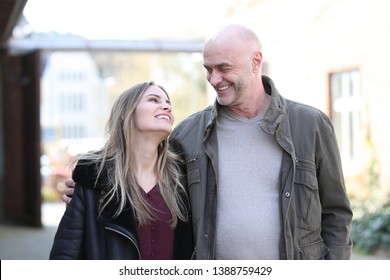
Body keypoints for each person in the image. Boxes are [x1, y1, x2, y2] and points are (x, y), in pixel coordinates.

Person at [63, 24, 353, 260]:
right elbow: (145, 183)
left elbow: (336, 212)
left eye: (223, 68)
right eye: (208, 69)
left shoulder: (309, 124)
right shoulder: (187, 134)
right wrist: (91, 190)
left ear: (256, 62)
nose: (214, 79)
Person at [50, 81, 193, 259]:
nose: (166, 106)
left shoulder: (183, 178)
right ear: (126, 113)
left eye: (168, 103)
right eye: (154, 100)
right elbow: (66, 251)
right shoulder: (92, 175)